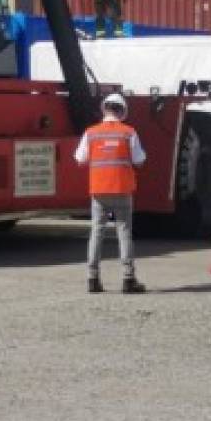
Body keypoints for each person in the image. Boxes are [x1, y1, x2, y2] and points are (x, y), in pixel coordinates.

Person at [74, 93, 147, 294]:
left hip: (98, 190)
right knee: (124, 232)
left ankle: (93, 278)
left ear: (104, 109)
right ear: (122, 111)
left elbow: (80, 159)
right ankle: (128, 279)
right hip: (122, 189)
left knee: (97, 232)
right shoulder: (129, 132)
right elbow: (140, 160)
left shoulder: (91, 133)